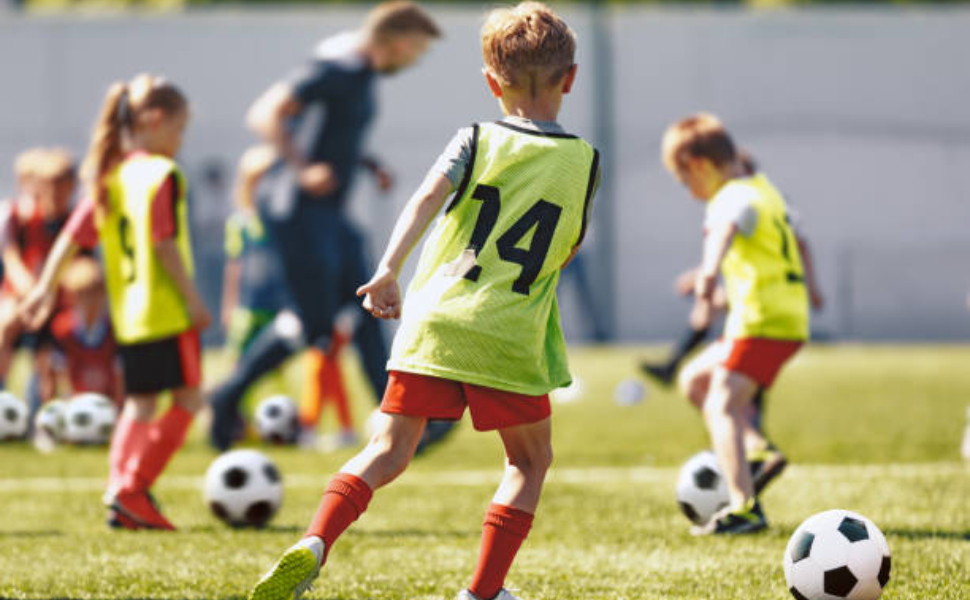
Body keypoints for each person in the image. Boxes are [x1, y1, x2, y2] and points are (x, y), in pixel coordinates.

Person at [246, 4, 600, 600]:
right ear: (571, 78)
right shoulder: (585, 162)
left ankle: (315, 542)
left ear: (492, 83)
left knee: (386, 450)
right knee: (527, 463)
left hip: (434, 321)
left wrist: (388, 270)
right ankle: (482, 593)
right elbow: (566, 248)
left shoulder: (475, 138)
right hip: (508, 330)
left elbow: (425, 200)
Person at [207, 1, 442, 451]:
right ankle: (227, 397)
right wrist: (301, 169)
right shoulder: (337, 69)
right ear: (396, 40)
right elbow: (265, 113)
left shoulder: (361, 74)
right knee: (311, 323)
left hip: (328, 216)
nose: (415, 59)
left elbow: (330, 133)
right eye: (415, 48)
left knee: (369, 306)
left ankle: (405, 422)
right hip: (296, 210)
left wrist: (368, 164)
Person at [21, 74, 211, 530]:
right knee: (188, 400)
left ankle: (118, 496)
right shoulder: (161, 174)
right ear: (155, 119)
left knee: (140, 404)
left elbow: (71, 237)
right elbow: (163, 244)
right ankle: (132, 487)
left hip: (130, 315)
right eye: (179, 129)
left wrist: (44, 288)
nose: (180, 141)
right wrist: (193, 301)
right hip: (167, 310)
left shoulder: (113, 177)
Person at [659, 114, 808, 535]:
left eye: (685, 181)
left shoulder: (730, 197)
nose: (690, 191)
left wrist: (707, 276)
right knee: (694, 380)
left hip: (762, 323)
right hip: (779, 317)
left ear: (698, 165)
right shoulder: (763, 189)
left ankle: (744, 507)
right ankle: (757, 451)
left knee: (719, 404)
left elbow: (723, 232)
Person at [640, 149, 824, 441]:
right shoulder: (771, 199)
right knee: (714, 327)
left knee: (732, 377)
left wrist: (705, 275)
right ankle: (676, 368)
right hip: (768, 293)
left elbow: (787, 243)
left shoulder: (746, 200)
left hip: (765, 296)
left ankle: (751, 434)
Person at [49, 256, 123, 405]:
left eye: (98, 292)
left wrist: (116, 406)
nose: (93, 300)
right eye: (84, 294)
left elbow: (119, 377)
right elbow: (60, 376)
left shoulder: (114, 330)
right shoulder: (62, 329)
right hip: (76, 403)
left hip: (107, 403)